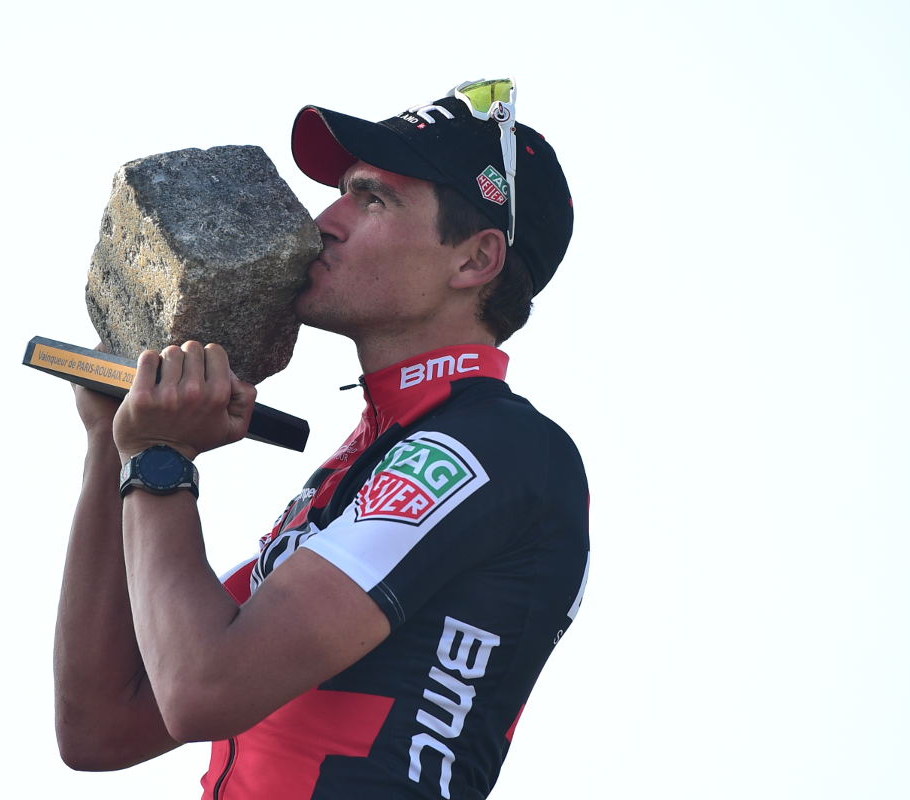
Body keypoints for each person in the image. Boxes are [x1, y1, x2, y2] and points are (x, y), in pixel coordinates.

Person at [54, 79, 590, 799]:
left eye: (372, 198)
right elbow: (100, 727)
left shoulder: (485, 448)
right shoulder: (370, 462)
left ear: (474, 261)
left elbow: (201, 689)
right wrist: (111, 448)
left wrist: (161, 461)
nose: (323, 222)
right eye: (341, 191)